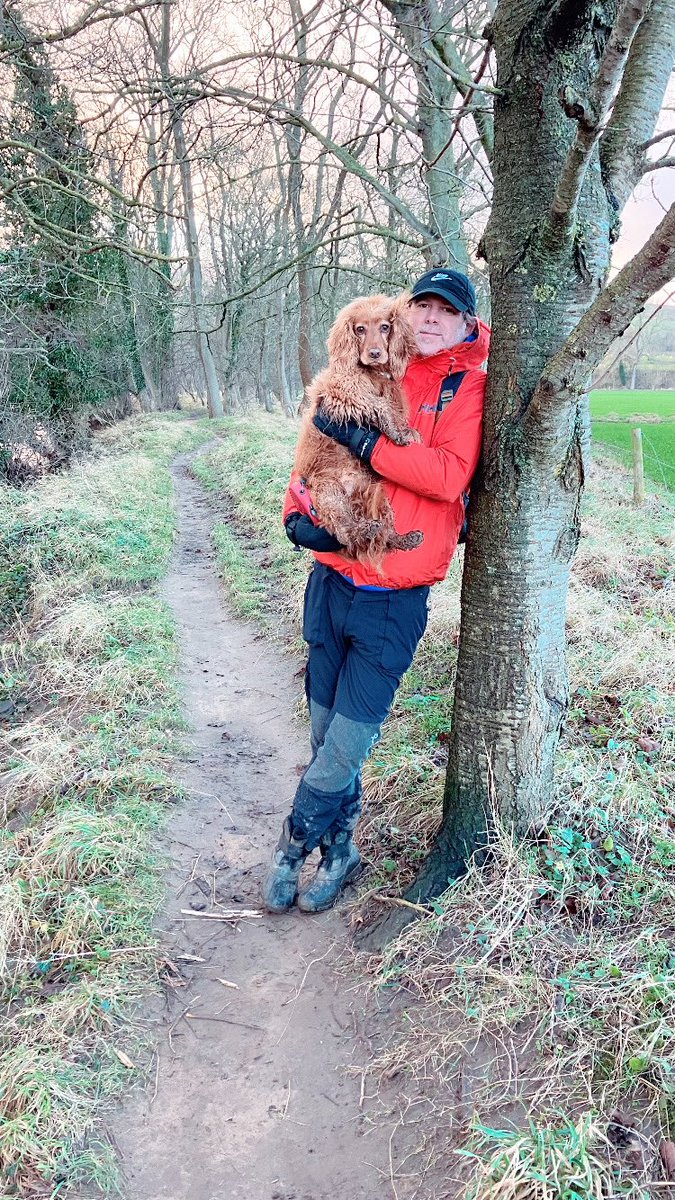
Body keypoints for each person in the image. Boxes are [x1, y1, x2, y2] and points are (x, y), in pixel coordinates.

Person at [262, 268, 491, 914]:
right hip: (331, 582)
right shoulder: (368, 368)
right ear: (401, 312)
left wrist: (367, 442)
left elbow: (446, 477)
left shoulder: (465, 386)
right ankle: (340, 851)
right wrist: (292, 516)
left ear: (466, 323)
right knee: (323, 731)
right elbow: (315, 453)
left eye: (446, 311)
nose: (429, 318)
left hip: (393, 597)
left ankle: (291, 845)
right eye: (420, 304)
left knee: (346, 742)